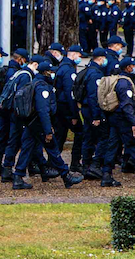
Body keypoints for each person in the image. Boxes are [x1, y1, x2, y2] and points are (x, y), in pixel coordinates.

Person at [11, 56, 84, 190]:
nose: (53, 74)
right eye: (51, 72)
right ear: (46, 73)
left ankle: (18, 176)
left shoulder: (35, 83)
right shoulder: (42, 87)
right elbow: (43, 110)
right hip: (39, 123)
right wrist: (48, 130)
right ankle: (66, 175)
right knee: (52, 148)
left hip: (31, 123)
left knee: (27, 148)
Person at [95, 57, 135, 186]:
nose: (134, 68)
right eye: (132, 66)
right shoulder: (125, 83)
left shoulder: (117, 80)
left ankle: (106, 174)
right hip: (123, 119)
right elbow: (126, 105)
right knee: (133, 144)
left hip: (114, 117)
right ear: (128, 68)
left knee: (112, 145)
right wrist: (133, 122)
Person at [0, 48, 35, 181]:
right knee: (16, 140)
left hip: (11, 111)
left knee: (13, 139)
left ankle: (7, 168)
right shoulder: (25, 75)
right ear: (21, 59)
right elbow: (22, 96)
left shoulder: (17, 73)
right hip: (18, 113)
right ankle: (9, 168)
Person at [78, 47, 109, 178]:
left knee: (89, 136)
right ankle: (94, 165)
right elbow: (94, 96)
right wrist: (96, 116)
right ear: (101, 59)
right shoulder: (95, 74)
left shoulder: (88, 70)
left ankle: (86, 165)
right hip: (92, 110)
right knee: (102, 136)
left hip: (87, 108)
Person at [54, 45, 83, 171]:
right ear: (74, 54)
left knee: (60, 135)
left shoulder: (62, 66)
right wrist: (74, 114)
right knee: (80, 132)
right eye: (79, 55)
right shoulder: (68, 70)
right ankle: (75, 163)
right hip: (65, 107)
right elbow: (70, 94)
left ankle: (53, 163)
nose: (80, 58)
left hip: (60, 106)